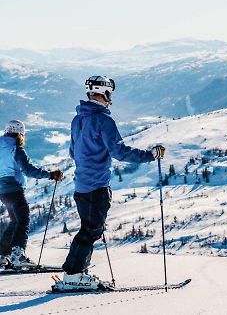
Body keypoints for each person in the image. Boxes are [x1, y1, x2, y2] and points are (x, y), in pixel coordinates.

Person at [54, 76, 165, 291]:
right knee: (92, 230)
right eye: (109, 94)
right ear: (105, 93)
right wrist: (150, 155)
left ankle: (75, 273)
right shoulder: (104, 121)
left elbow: (72, 151)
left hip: (81, 185)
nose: (110, 99)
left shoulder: (77, 120)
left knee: (89, 229)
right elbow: (119, 152)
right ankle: (73, 275)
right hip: (97, 186)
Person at [0, 120, 63, 268]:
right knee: (23, 220)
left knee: (15, 221)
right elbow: (29, 170)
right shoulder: (16, 149)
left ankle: (2, 255)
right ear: (21, 134)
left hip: (2, 191)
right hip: (14, 189)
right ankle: (18, 255)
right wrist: (50, 175)